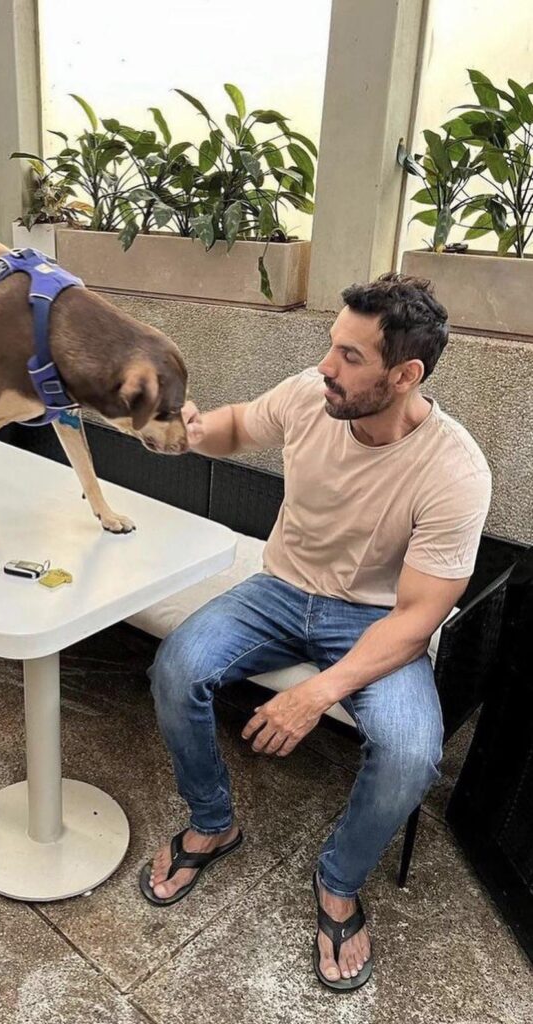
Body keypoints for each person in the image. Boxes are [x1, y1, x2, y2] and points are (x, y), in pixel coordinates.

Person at [139, 273, 491, 992]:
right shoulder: (311, 394)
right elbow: (240, 426)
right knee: (177, 668)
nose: (327, 366)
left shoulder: (454, 469)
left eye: (351, 356)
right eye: (332, 345)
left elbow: (418, 618)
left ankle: (338, 881)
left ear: (405, 375)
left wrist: (315, 694)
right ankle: (213, 821)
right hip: (278, 590)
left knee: (412, 751)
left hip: (376, 620)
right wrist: (191, 432)